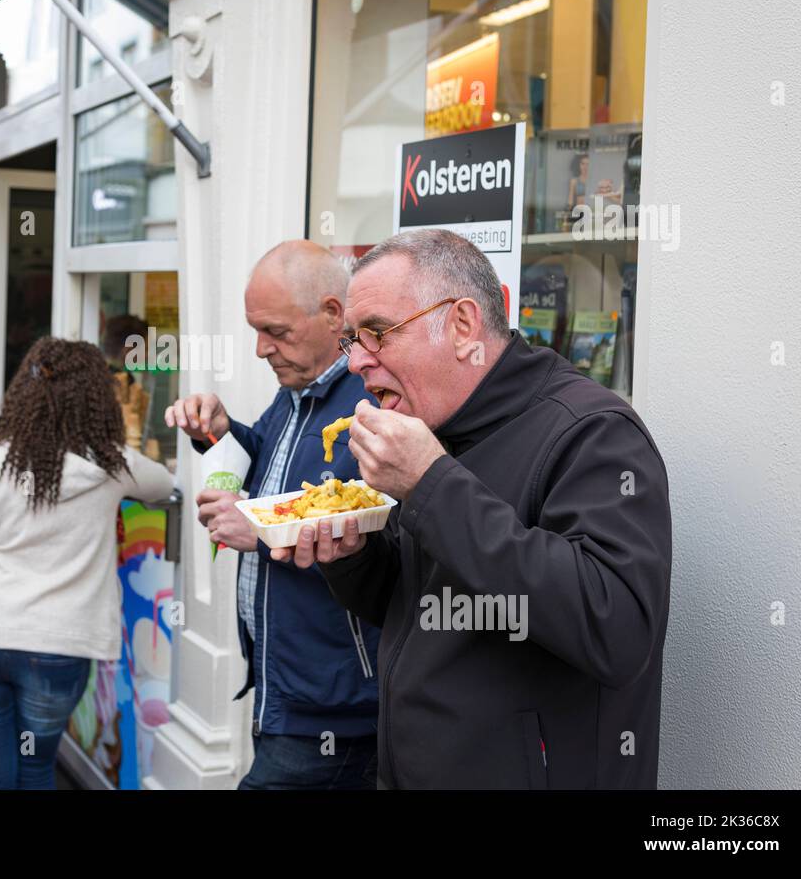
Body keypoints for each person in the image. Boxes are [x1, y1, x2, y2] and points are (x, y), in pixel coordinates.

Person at [279, 229, 672, 789]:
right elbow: (419, 608)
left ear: (463, 325)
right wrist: (350, 554)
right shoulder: (437, 426)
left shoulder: (593, 433)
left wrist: (431, 485)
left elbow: (615, 627)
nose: (356, 363)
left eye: (377, 334)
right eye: (350, 341)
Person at [164, 239, 381, 790]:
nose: (261, 348)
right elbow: (269, 468)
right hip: (288, 682)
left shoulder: (374, 403)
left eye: (277, 332)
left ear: (335, 315)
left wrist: (259, 532)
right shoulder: (298, 390)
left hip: (336, 702)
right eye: (255, 330)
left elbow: (380, 534)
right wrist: (216, 431)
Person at [0, 338, 174, 789]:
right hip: (59, 647)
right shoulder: (113, 465)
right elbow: (164, 484)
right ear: (97, 398)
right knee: (35, 767)